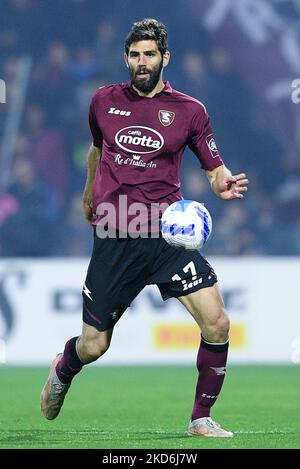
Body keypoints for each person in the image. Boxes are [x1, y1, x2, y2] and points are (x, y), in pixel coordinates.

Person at [41, 18, 248, 437]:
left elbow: (213, 166)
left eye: (149, 54)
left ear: (164, 58)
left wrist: (222, 182)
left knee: (218, 322)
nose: (141, 62)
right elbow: (96, 152)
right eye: (134, 55)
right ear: (126, 58)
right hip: (116, 234)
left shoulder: (190, 111)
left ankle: (200, 418)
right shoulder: (102, 101)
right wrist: (87, 196)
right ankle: (64, 368)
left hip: (167, 235)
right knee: (95, 345)